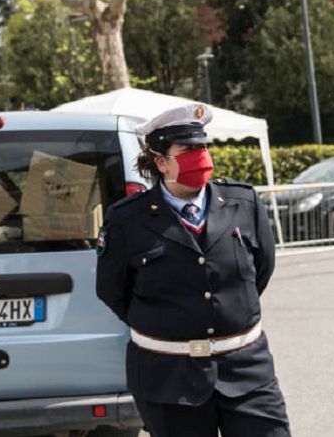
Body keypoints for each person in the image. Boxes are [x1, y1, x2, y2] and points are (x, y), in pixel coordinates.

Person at [95, 103, 290, 437]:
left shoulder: (243, 203)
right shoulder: (127, 219)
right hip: (168, 378)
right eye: (188, 150)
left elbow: (261, 271)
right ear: (160, 161)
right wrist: (170, 324)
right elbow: (112, 290)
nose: (201, 157)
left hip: (245, 370)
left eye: (203, 147)